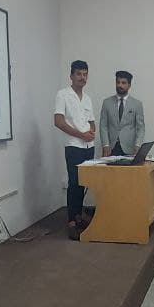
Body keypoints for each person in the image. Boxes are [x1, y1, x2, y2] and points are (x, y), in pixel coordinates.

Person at [53, 60, 95, 239]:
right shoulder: (62, 95)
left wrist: (91, 132)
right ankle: (71, 221)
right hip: (73, 145)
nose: (82, 77)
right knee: (74, 183)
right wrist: (80, 134)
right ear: (71, 76)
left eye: (85, 74)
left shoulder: (87, 98)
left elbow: (91, 121)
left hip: (88, 146)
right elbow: (58, 121)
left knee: (84, 183)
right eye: (79, 74)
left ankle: (78, 217)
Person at [97, 70, 145, 157]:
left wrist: (138, 145)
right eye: (118, 82)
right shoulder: (107, 102)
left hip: (130, 148)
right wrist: (105, 145)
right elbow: (103, 126)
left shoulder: (137, 104)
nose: (120, 85)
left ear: (129, 85)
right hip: (111, 149)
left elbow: (140, 128)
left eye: (123, 83)